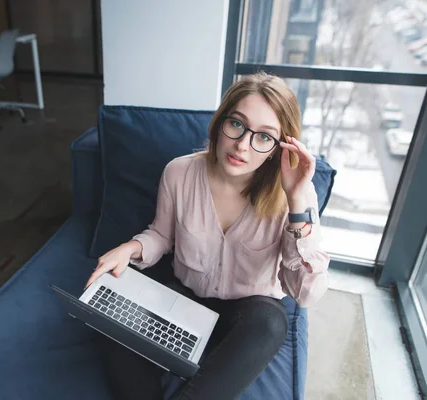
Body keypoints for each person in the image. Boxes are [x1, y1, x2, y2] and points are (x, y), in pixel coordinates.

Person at [85, 72, 330, 400]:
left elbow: (305, 294)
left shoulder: (297, 195)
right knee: (110, 320)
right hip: (185, 301)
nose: (242, 145)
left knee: (272, 323)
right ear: (221, 122)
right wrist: (129, 249)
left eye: (264, 137)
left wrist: (297, 202)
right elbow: (161, 235)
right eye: (237, 125)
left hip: (247, 318)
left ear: (277, 148)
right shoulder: (179, 172)